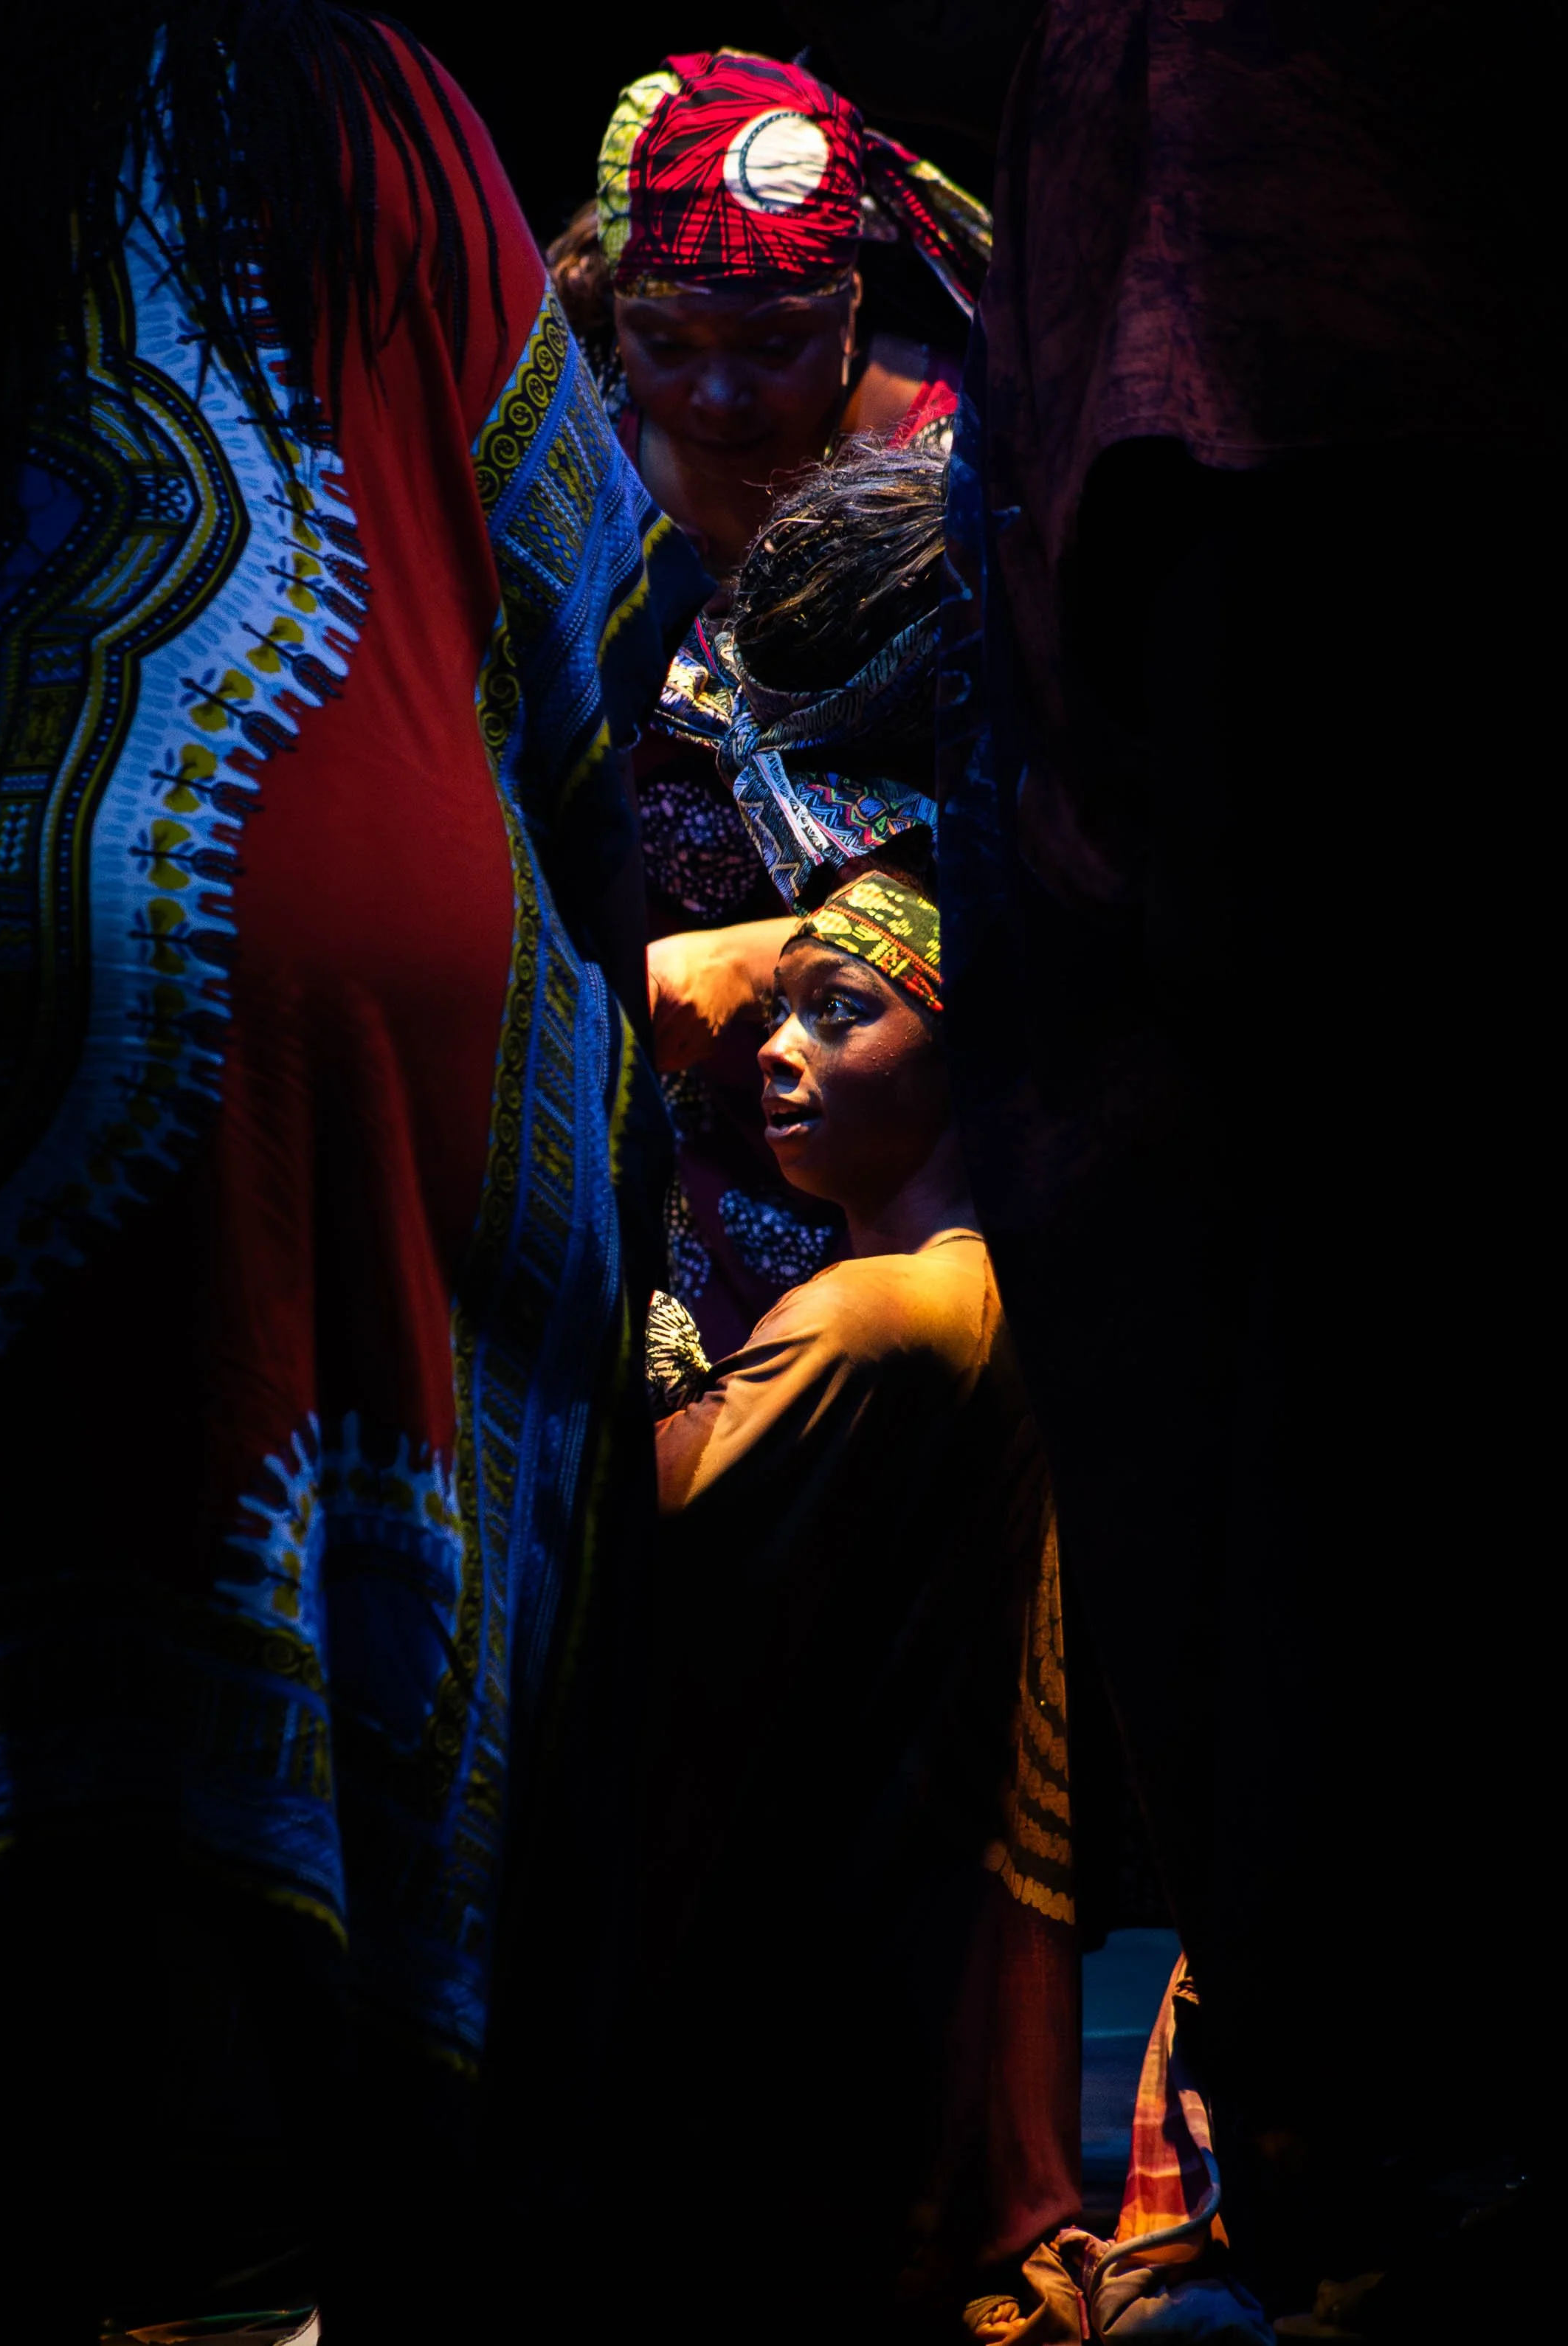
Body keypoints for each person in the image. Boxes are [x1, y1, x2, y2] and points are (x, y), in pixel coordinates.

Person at [0, 7, 705, 2339]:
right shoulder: (348, 102)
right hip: (316, 983)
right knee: (316, 1637)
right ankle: (288, 2252)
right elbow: (568, 601)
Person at [935, 2, 1555, 2325]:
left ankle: (1348, 2108)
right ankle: (1349, 2114)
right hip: (1309, 540)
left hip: (1298, 548)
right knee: (1371, 1339)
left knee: (1367, 1349)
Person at [638, 865, 1080, 2342]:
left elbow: (639, 1562)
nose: (780, 1051)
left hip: (814, 2017)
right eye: (777, 1016)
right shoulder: (995, 1295)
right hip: (923, 1994)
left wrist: (633, 1349)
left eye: (841, 1016)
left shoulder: (869, 1316)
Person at [550, 49, 992, 1357]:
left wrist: (766, 963)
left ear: (851, 302)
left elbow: (1045, 824)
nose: (719, 394)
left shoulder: (961, 474)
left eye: (775, 342)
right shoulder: (567, 478)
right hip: (634, 1102)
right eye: (665, 342)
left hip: (912, 1144)